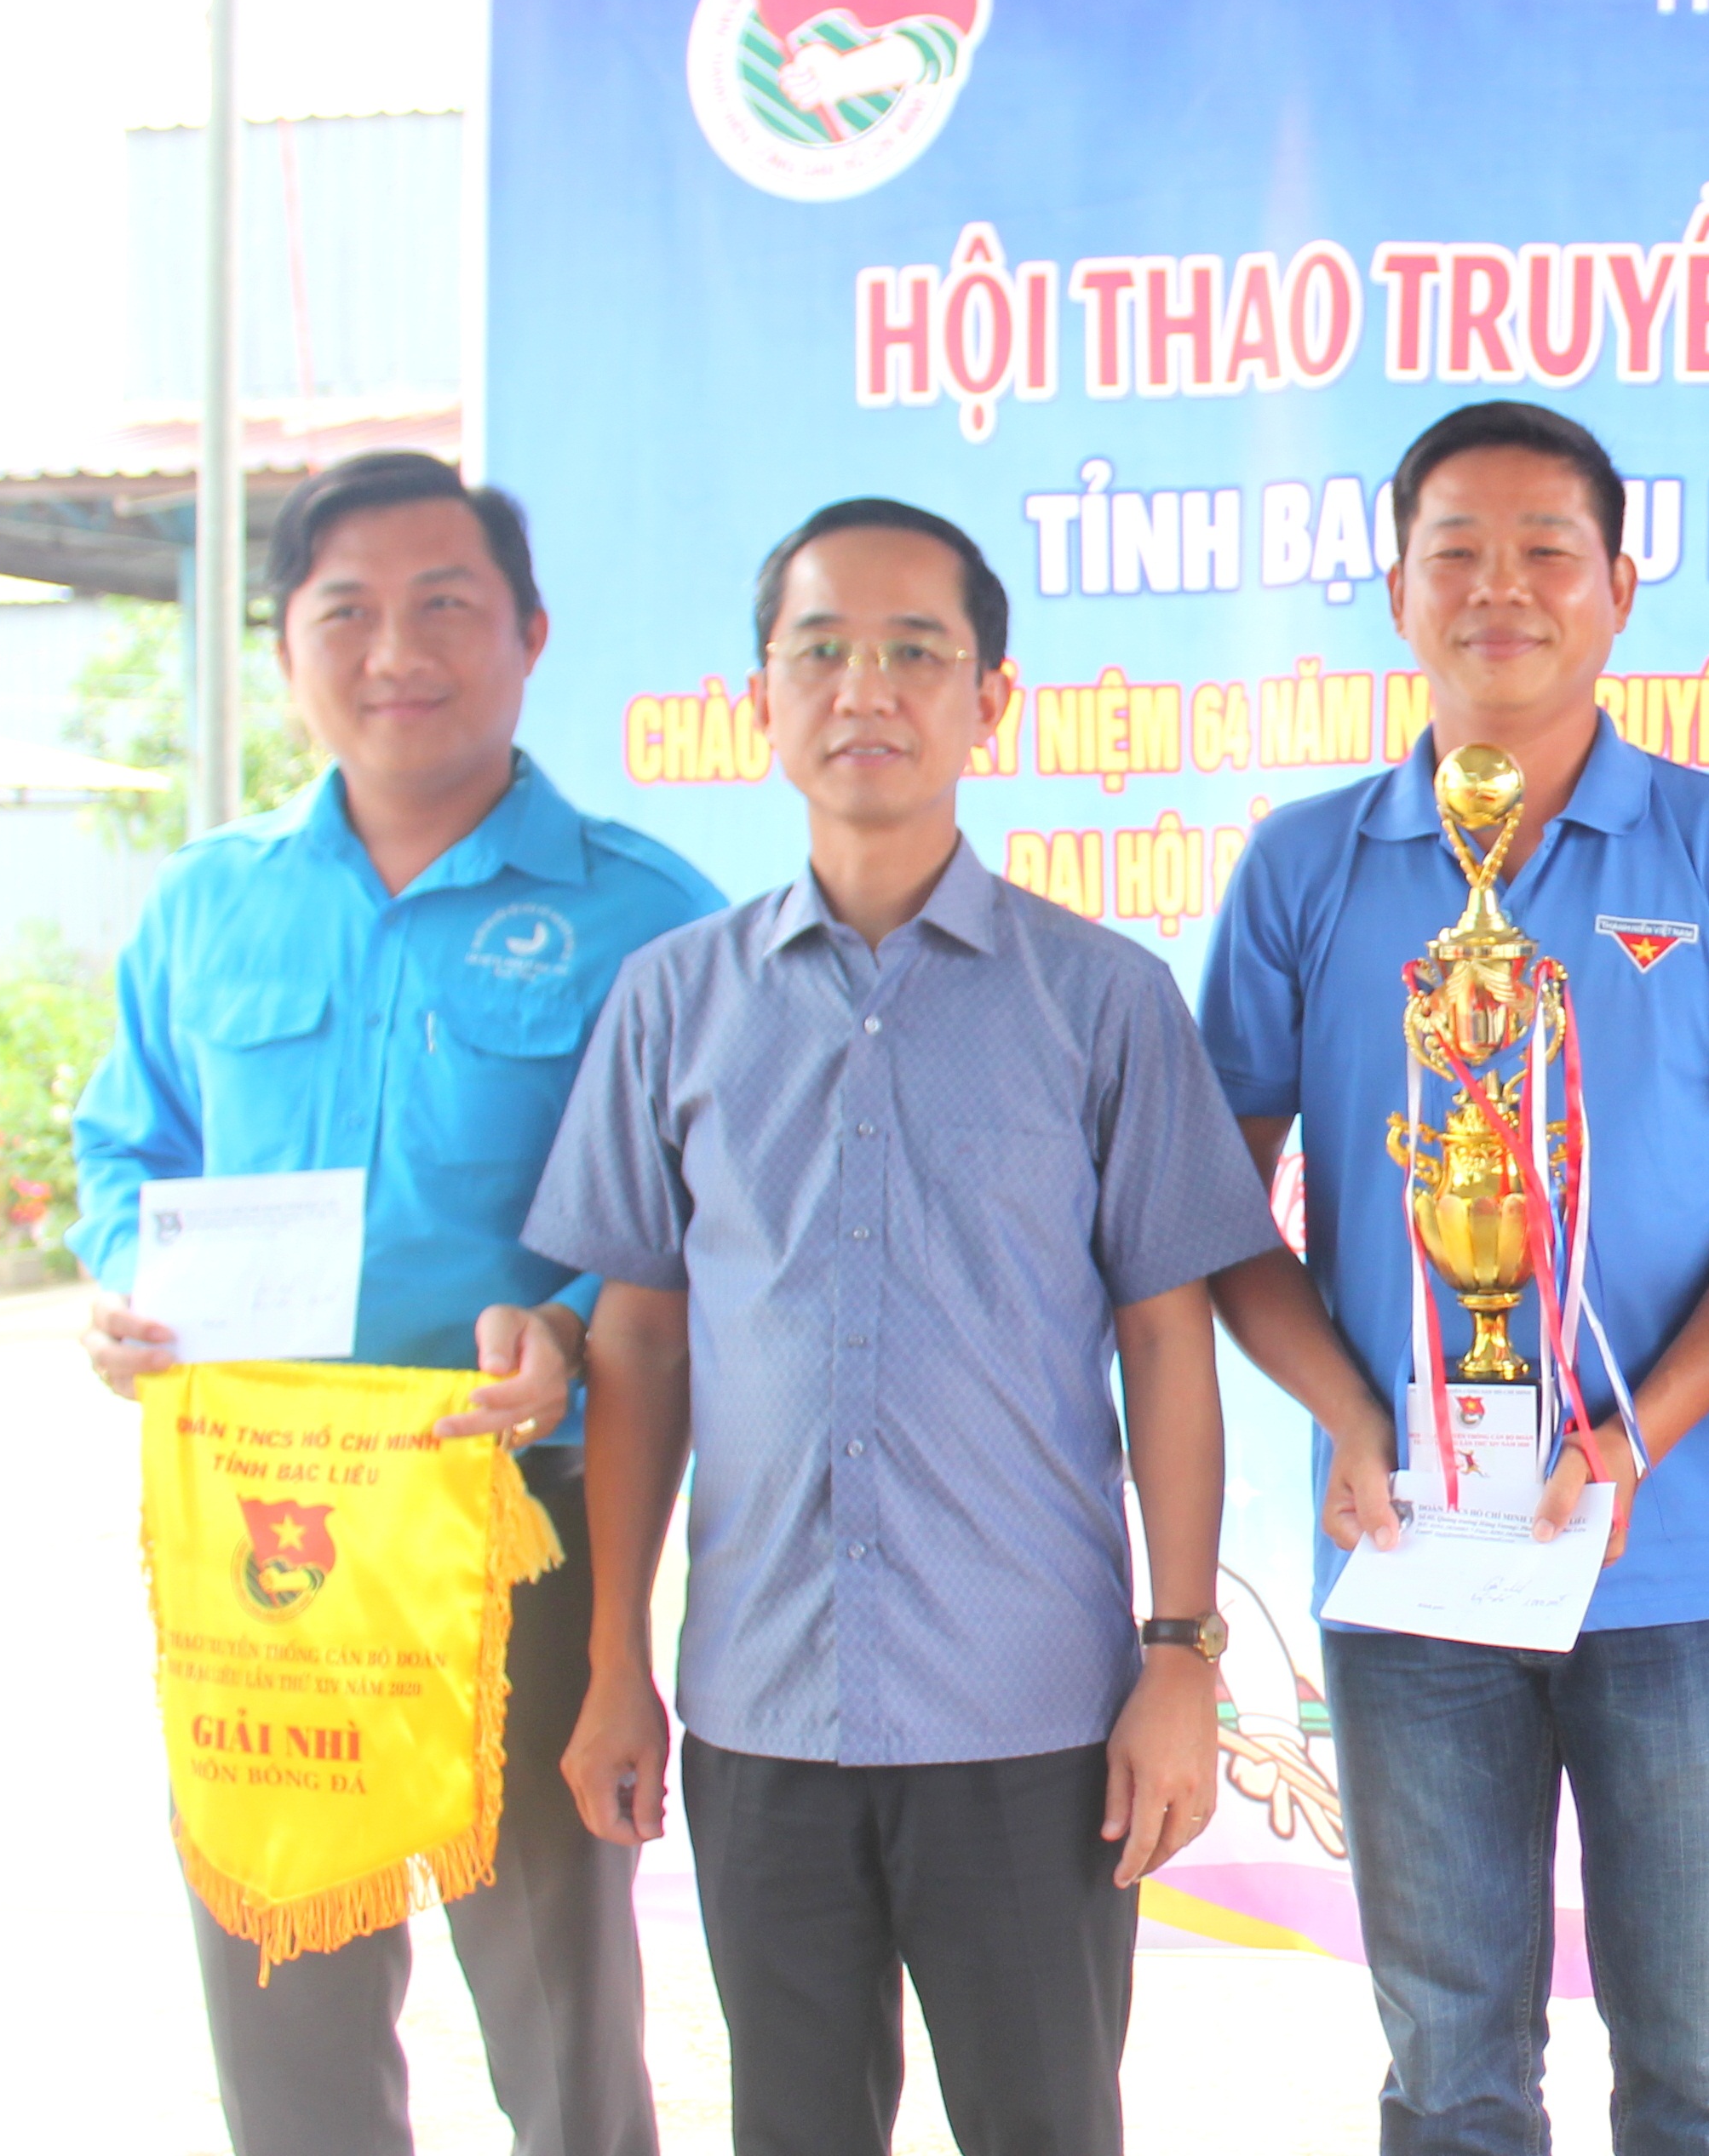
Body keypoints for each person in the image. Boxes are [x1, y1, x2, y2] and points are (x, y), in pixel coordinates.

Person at [524, 499, 1272, 2156]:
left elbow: (1170, 1343)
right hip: (760, 1707)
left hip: (1032, 1716)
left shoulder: (1101, 997)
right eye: (822, 651)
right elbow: (637, 1347)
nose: (865, 687)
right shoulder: (673, 1000)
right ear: (759, 699)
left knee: (1044, 2125)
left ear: (991, 699)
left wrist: (1179, 1654)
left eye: (916, 651)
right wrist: (615, 1666)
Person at [1199, 400, 1709, 2155]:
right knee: (1451, 2075)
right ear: (1395, 592)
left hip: (1674, 1556)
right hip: (1411, 1552)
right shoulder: (1304, 864)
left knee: (1696, 2070)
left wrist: (1638, 1435)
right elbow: (1211, 1212)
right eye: (1457, 553)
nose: (1500, 588)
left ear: (1620, 588)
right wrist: (1349, 1416)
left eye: (1546, 550)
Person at [71, 449, 716, 2156]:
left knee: (558, 2000)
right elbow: (127, 1145)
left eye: (445, 605)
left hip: (512, 1517)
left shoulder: (645, 911)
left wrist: (567, 1316)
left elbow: (719, 1198)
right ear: (285, 644)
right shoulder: (206, 903)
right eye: (345, 611)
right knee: (281, 1984)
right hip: (258, 1527)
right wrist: (126, 1274)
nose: (395, 651)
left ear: (530, 635)